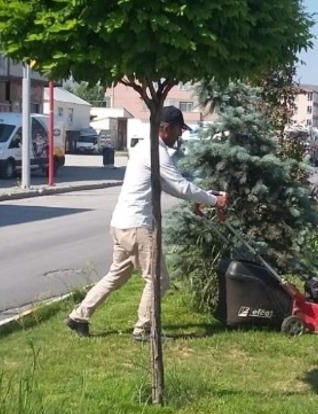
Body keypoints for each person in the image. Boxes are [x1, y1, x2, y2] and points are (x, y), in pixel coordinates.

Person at [65, 106, 228, 342]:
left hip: (121, 224)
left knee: (117, 275)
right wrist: (216, 200)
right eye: (178, 130)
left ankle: (78, 316)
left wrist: (203, 197)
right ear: (165, 128)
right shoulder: (156, 152)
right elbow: (181, 185)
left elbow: (172, 187)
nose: (179, 135)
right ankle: (144, 330)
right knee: (159, 280)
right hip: (139, 227)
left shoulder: (143, 148)